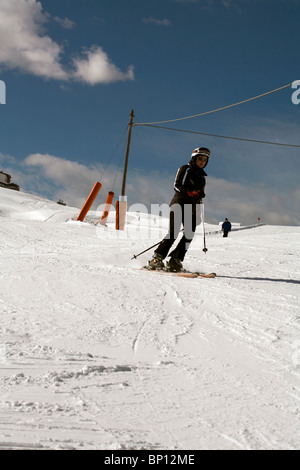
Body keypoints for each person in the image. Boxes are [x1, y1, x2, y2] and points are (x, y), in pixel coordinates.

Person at [148, 147, 211, 272]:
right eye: (200, 158)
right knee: (173, 232)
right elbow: (177, 185)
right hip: (179, 203)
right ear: (194, 158)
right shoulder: (185, 169)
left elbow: (200, 196)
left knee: (189, 235)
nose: (202, 162)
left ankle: (175, 260)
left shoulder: (202, 178)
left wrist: (197, 211)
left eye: (205, 160)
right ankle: (156, 258)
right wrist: (189, 192)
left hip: (191, 208)